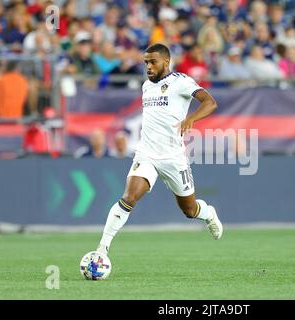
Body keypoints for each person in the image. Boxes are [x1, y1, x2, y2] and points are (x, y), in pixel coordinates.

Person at [96, 43, 223, 256]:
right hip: (147, 153)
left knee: (189, 210)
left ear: (166, 62)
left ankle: (209, 213)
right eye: (146, 62)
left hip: (173, 156)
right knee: (129, 197)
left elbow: (210, 102)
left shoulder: (181, 82)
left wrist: (191, 118)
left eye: (153, 62)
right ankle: (101, 250)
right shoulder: (147, 86)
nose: (148, 67)